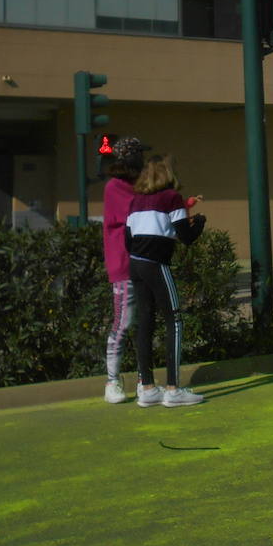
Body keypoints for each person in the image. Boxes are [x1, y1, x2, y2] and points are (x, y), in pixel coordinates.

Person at [127, 154, 208, 405]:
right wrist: (200, 222)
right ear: (168, 174)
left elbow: (128, 238)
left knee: (145, 321)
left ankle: (147, 386)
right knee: (174, 320)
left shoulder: (135, 200)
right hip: (156, 264)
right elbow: (188, 237)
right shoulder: (171, 197)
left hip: (135, 263)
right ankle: (173, 389)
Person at [101, 136, 149, 404]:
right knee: (124, 323)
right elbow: (135, 212)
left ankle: (146, 380)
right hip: (124, 265)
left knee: (144, 322)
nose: (142, 161)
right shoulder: (116, 187)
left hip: (145, 262)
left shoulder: (139, 187)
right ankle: (112, 381)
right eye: (139, 155)